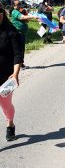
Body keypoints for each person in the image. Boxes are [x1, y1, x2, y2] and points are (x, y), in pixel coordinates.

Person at [0, 8, 23, 141]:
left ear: (1, 14)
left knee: (6, 106)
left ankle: (10, 123)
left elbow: (17, 55)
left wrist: (15, 74)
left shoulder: (11, 31)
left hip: (6, 76)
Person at [10, 0, 38, 69]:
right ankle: (18, 65)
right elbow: (22, 17)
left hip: (22, 33)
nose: (20, 5)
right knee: (19, 50)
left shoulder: (19, 11)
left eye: (20, 4)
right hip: (18, 33)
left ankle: (21, 64)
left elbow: (24, 19)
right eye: (18, 4)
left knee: (21, 49)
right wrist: (32, 16)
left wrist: (27, 19)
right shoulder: (14, 12)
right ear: (14, 6)